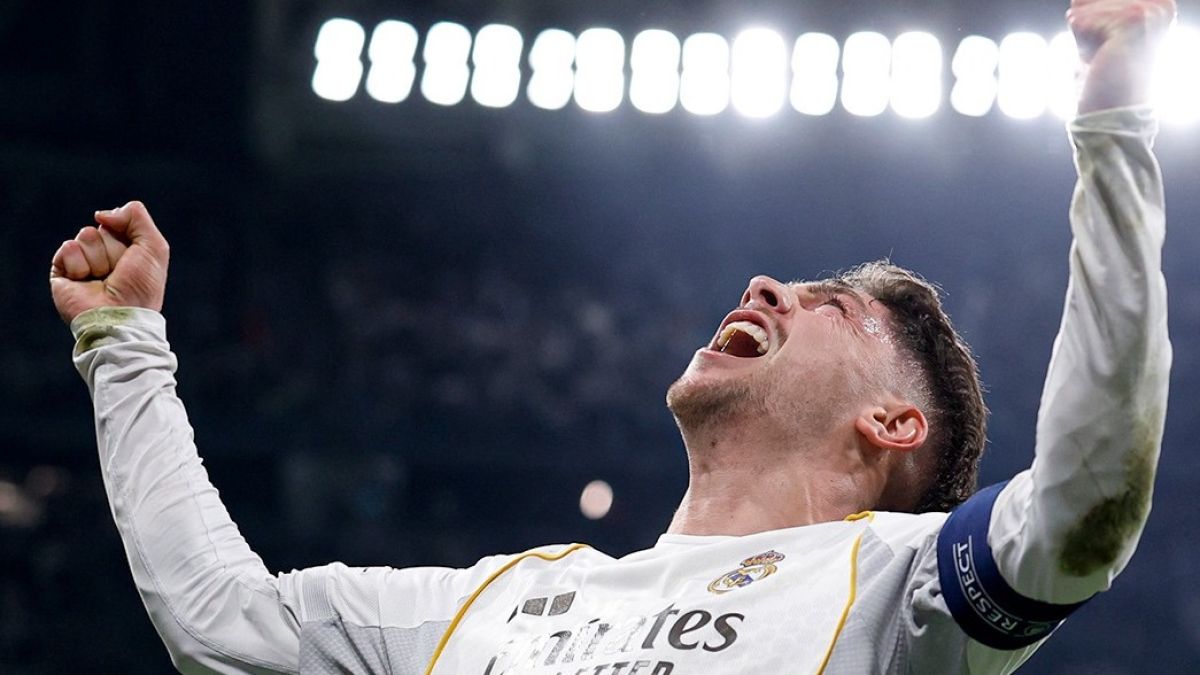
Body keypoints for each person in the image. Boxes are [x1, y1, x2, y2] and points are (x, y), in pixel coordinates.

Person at [49, 0, 1175, 672]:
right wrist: (123, 341)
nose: (767, 285)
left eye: (833, 306)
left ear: (892, 423)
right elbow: (225, 623)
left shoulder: (902, 589)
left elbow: (1087, 501)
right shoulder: (489, 605)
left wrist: (1115, 126)